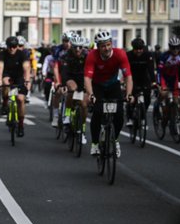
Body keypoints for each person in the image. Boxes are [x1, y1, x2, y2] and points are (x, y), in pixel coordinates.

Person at [84, 30, 133, 158]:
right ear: (98, 47)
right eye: (102, 46)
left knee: (119, 115)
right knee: (98, 112)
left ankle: (115, 140)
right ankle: (94, 143)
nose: (106, 48)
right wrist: (91, 94)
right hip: (97, 86)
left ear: (111, 44)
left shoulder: (120, 54)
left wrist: (128, 94)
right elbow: (87, 79)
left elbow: (128, 77)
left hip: (113, 85)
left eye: (108, 44)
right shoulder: (92, 56)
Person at [54, 34, 89, 144]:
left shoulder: (87, 56)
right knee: (72, 89)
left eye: (80, 47)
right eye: (75, 47)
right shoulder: (66, 55)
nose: (78, 49)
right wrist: (62, 85)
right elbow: (63, 73)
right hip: (70, 77)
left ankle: (82, 131)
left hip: (83, 78)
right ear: (71, 46)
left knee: (83, 105)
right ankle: (68, 115)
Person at [0, 36, 32, 137]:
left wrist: (27, 81)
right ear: (7, 46)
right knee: (5, 83)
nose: (12, 48)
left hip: (19, 77)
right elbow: (0, 67)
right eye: (10, 46)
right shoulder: (2, 54)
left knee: (20, 99)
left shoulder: (22, 54)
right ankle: (5, 103)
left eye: (14, 46)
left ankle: (21, 125)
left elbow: (26, 68)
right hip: (7, 74)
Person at [156, 37, 180, 123]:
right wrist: (159, 84)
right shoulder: (164, 56)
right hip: (165, 77)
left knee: (179, 97)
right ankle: (158, 106)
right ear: (170, 47)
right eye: (173, 47)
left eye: (177, 47)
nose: (175, 50)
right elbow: (159, 71)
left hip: (175, 78)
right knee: (163, 93)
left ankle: (179, 113)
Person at [125, 38, 155, 127]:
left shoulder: (148, 55)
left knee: (147, 99)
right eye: (136, 49)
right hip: (132, 79)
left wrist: (153, 82)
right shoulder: (128, 55)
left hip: (144, 79)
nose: (139, 51)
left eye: (140, 49)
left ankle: (142, 117)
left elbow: (151, 69)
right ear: (133, 48)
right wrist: (124, 81)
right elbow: (124, 69)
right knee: (131, 100)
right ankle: (130, 118)